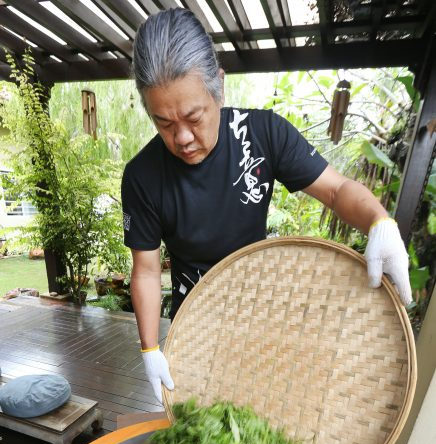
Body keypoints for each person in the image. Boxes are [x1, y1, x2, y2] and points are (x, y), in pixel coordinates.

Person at [122, 8, 412, 405]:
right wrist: (150, 348)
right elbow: (148, 271)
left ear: (219, 87)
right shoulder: (142, 175)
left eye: (193, 117)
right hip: (196, 322)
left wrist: (379, 222)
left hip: (261, 308)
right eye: (164, 123)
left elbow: (336, 189)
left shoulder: (262, 135)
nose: (183, 137)